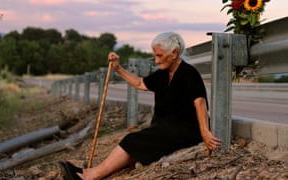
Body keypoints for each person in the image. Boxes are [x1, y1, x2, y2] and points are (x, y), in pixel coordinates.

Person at [59, 32, 222, 180]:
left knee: (132, 140)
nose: (156, 61)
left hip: (185, 129)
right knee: (138, 145)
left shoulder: (189, 73)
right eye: (155, 56)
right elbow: (139, 83)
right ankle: (87, 172)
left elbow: (199, 102)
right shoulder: (163, 74)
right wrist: (117, 68)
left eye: (159, 56)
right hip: (165, 127)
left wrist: (205, 133)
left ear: (174, 53)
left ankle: (91, 176)